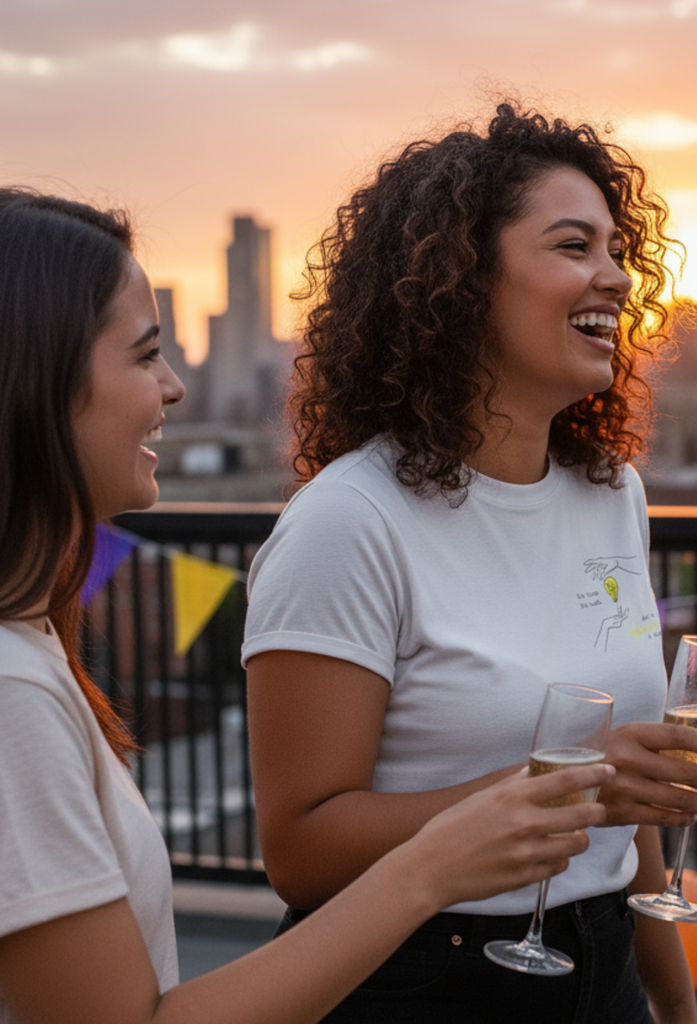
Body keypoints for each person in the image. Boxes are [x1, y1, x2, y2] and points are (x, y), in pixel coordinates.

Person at [0, 186, 616, 1024]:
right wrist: (432, 866)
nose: (173, 387)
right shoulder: (14, 692)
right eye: (145, 356)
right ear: (33, 384)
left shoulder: (31, 644)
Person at [243, 104, 697, 1024]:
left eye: (617, 249)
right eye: (573, 246)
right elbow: (302, 854)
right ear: (461, 280)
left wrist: (676, 1010)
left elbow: (624, 820)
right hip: (427, 978)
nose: (616, 275)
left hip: (605, 964)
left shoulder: (612, 494)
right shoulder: (350, 521)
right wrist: (573, 781)